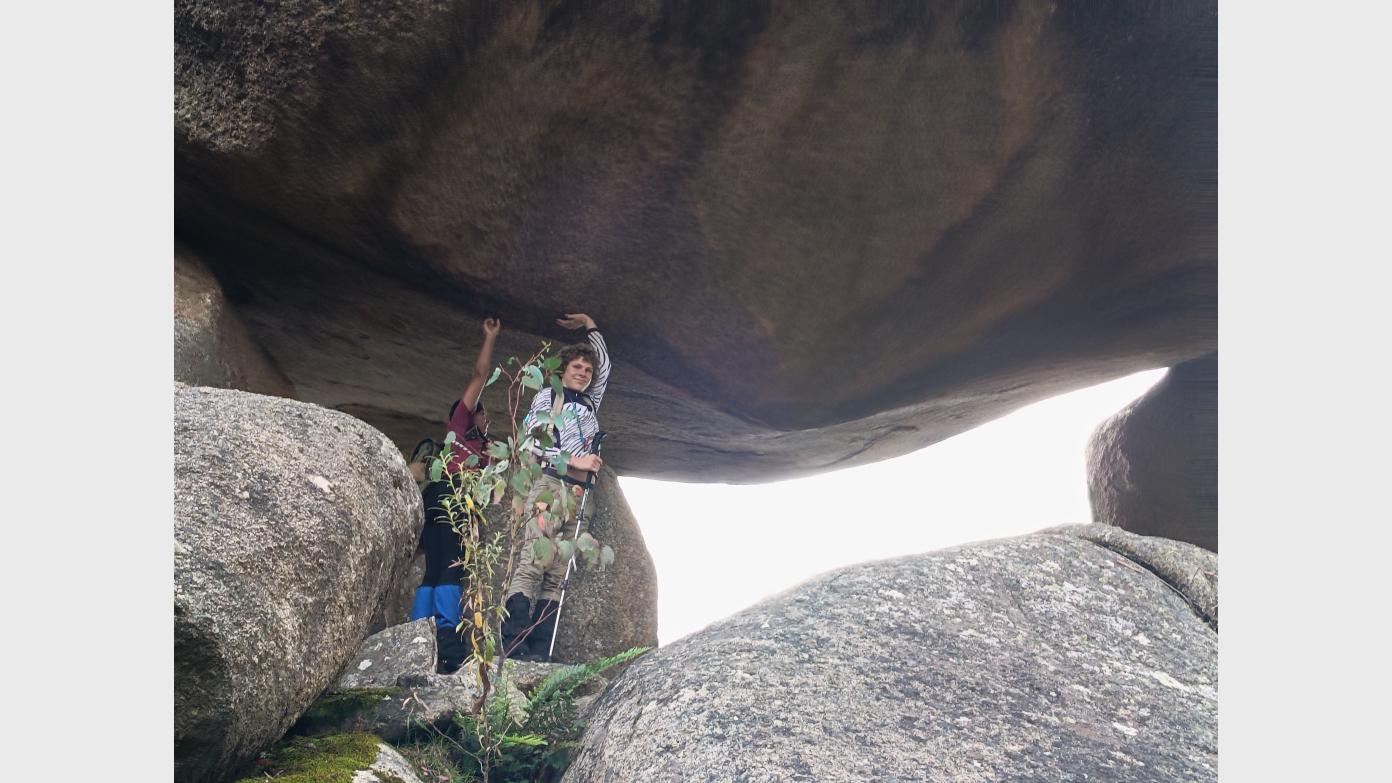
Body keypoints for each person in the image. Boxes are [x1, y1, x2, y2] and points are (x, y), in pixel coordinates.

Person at [500, 313, 610, 661]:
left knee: (559, 572)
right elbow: (532, 441)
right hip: (551, 485)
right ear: (563, 370)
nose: (584, 373)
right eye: (577, 367)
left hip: (580, 496)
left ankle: (539, 647)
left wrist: (590, 323)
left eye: (587, 370)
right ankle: (514, 642)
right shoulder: (550, 397)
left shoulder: (590, 402)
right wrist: (576, 460)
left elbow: (605, 366)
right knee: (534, 560)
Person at [409, 316, 500, 673]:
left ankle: (416, 636)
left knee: (433, 570)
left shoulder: (485, 450)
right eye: (483, 412)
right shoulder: (460, 426)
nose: (486, 417)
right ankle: (447, 639)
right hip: (453, 498)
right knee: (451, 567)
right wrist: (489, 337)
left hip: (435, 499)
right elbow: (480, 375)